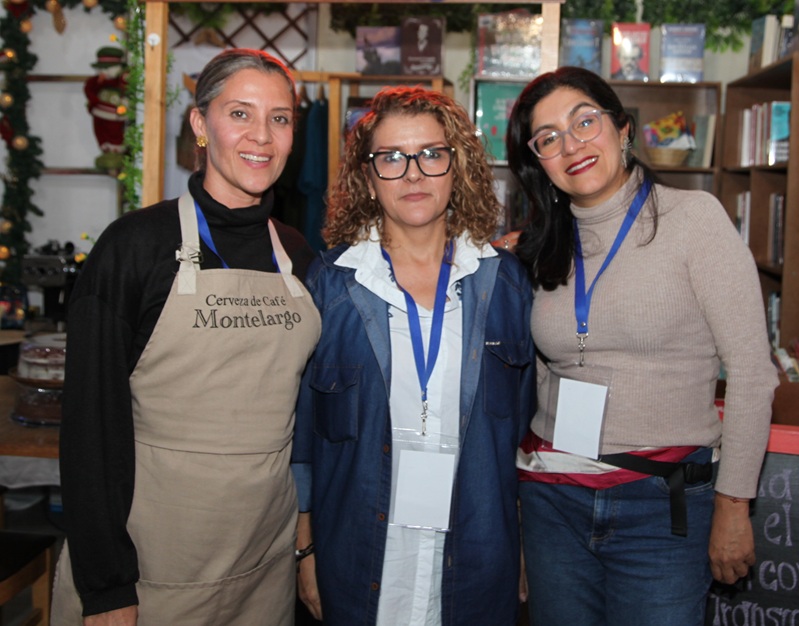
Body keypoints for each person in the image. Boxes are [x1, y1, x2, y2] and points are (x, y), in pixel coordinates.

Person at [51, 48, 321, 625]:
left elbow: (306, 422)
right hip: (152, 571)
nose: (262, 137)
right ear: (200, 125)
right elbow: (90, 426)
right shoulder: (134, 248)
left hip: (264, 568)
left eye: (279, 118)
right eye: (240, 113)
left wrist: (304, 548)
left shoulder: (298, 254)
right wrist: (106, 588)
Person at [505, 66, 779, 626]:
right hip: (551, 503)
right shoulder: (536, 248)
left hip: (662, 508)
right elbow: (535, 378)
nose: (572, 145)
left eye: (585, 122)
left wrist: (733, 504)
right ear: (537, 161)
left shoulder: (694, 220)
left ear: (622, 128)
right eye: (549, 138)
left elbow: (753, 372)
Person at [292, 86, 535, 625]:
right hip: (359, 559)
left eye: (431, 153)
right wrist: (305, 551)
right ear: (368, 176)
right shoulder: (330, 286)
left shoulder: (506, 284)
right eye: (391, 158)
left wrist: (522, 544)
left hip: (477, 557)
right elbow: (303, 436)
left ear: (458, 166)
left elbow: (522, 438)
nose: (413, 174)